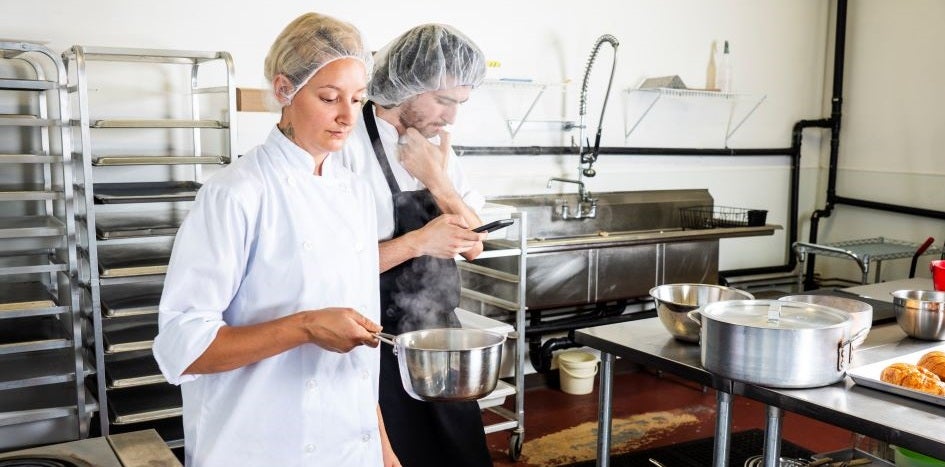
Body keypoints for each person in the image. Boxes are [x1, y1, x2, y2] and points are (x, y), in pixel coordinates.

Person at [153, 12, 399, 467]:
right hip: (258, 446)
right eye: (330, 98)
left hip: (349, 446)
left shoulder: (356, 192)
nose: (348, 117)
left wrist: (382, 450)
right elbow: (183, 345)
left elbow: (359, 358)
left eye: (358, 99)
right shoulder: (236, 194)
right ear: (286, 90)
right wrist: (305, 327)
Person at [335, 23, 492, 467]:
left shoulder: (438, 148)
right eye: (444, 101)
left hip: (439, 338)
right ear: (407, 85)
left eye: (460, 103)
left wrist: (436, 178)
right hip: (372, 341)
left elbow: (473, 246)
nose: (452, 117)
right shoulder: (346, 147)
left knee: (462, 454)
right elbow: (331, 271)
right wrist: (420, 241)